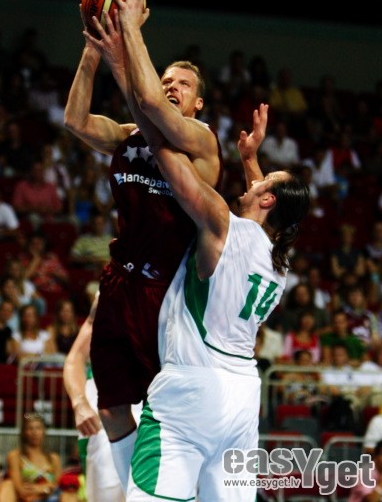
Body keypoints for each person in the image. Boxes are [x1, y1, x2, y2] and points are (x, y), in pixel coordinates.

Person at [64, 0, 223, 491]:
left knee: (161, 406)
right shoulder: (129, 134)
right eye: (167, 78)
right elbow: (75, 120)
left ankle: (174, 488)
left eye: (183, 84)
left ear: (198, 102)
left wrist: (129, 30)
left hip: (164, 292)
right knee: (111, 405)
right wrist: (93, 52)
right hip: (118, 283)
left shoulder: (202, 141)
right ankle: (140, 489)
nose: (172, 85)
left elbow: (151, 102)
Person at [120, 99, 310, 501]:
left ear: (268, 200)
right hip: (242, 399)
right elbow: (259, 216)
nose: (254, 183)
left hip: (192, 388)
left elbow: (170, 162)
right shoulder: (279, 263)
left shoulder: (224, 225)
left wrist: (145, 117)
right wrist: (250, 160)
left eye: (262, 182)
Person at [63, 293, 128, 502]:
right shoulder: (111, 290)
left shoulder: (178, 284)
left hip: (158, 404)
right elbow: (76, 357)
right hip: (107, 407)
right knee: (107, 492)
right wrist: (79, 402)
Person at [0, 413, 76, 502]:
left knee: (69, 495)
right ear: (24, 432)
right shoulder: (15, 456)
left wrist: (41, 489)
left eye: (38, 428)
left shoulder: (54, 458)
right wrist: (45, 488)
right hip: (26, 499)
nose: (34, 432)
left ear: (43, 431)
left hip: (50, 498)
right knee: (7, 485)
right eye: (30, 428)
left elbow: (57, 486)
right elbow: (19, 488)